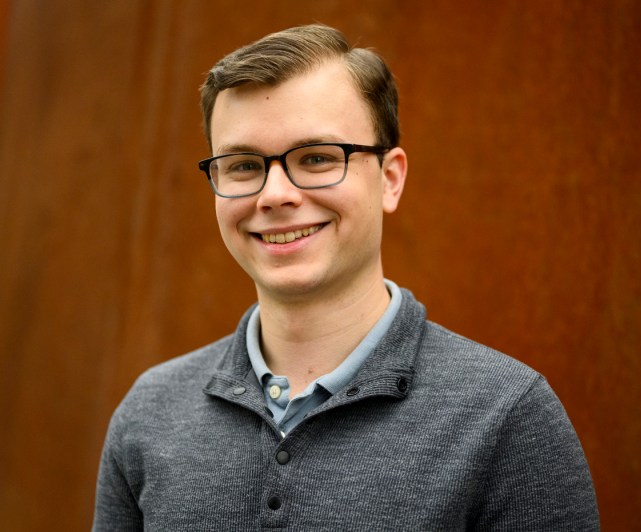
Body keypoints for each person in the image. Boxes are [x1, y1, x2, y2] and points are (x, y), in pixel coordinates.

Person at [93, 24, 600, 531]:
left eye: (315, 158)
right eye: (244, 165)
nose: (274, 195)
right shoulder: (149, 414)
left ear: (390, 178)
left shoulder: (508, 417)